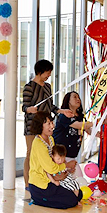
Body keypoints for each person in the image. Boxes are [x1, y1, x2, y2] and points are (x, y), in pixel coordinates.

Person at [22, 60, 74, 191]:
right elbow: (24, 107)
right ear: (40, 71)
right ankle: (29, 184)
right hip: (32, 126)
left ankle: (47, 180)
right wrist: (30, 110)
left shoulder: (47, 87)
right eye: (47, 72)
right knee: (30, 154)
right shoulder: (29, 87)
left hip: (46, 126)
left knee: (48, 153)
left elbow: (51, 106)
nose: (49, 75)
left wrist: (62, 111)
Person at [28, 111, 83, 209]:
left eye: (52, 122)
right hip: (41, 185)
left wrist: (65, 169)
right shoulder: (38, 143)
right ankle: (38, 199)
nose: (52, 125)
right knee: (72, 199)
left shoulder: (50, 139)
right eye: (48, 123)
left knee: (79, 193)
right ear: (40, 126)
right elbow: (51, 168)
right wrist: (67, 165)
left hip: (53, 178)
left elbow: (55, 160)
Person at [53, 91, 93, 178]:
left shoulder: (80, 117)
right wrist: (94, 122)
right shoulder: (64, 115)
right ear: (68, 101)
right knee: (63, 180)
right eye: (75, 97)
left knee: (78, 181)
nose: (78, 99)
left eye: (78, 97)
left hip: (72, 156)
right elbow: (79, 125)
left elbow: (89, 130)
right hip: (60, 157)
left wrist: (101, 132)